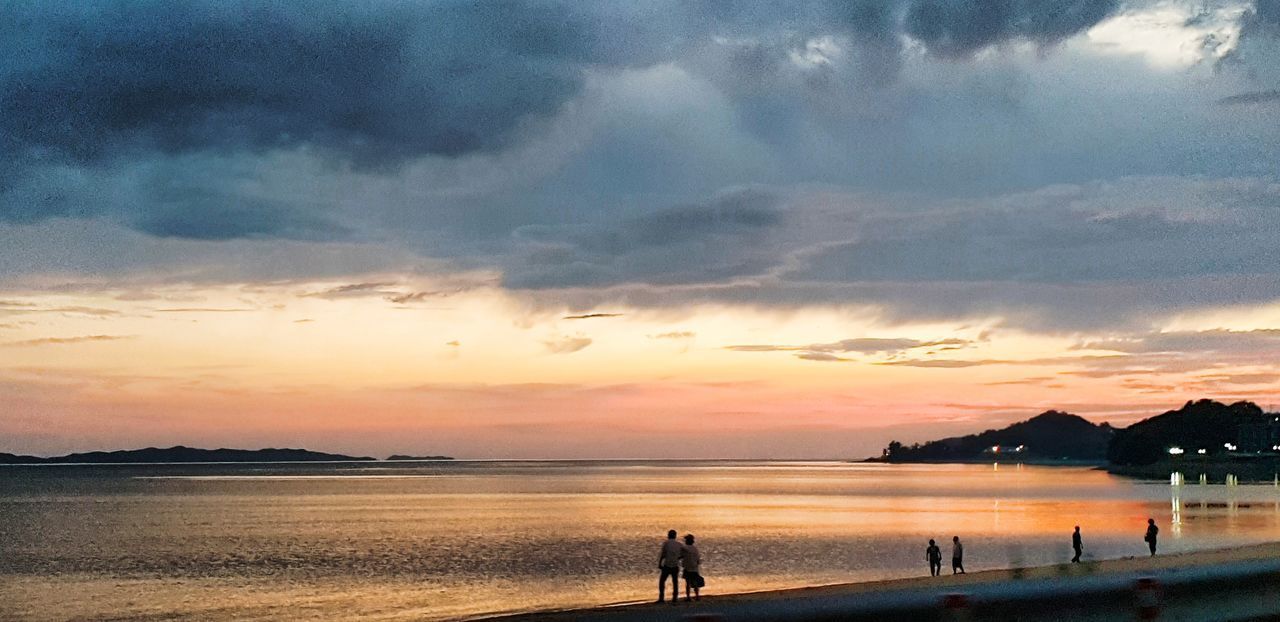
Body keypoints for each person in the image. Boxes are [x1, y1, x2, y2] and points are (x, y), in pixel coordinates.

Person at [658, 529, 684, 602]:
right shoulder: (679, 544)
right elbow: (682, 555)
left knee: (662, 581)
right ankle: (675, 597)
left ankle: (661, 597)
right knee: (675, 582)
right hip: (675, 564)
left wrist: (660, 563)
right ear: (675, 536)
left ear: (668, 535)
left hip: (667, 564)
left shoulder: (666, 543)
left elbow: (663, 555)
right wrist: (677, 558)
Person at [682, 534, 703, 601]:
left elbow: (681, 556)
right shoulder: (695, 549)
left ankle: (688, 597)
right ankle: (697, 596)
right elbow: (698, 560)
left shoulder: (684, 548)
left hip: (687, 567)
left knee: (688, 582)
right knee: (695, 582)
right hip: (694, 567)